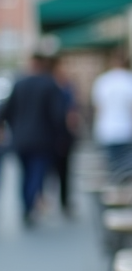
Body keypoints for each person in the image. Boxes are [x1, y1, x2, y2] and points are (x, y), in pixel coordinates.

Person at [0, 53, 66, 225]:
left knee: (24, 174)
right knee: (36, 173)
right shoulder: (49, 85)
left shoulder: (19, 84)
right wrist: (61, 136)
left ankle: (25, 206)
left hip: (21, 139)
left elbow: (6, 111)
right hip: (43, 139)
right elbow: (57, 115)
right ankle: (29, 206)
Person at [92, 53, 132, 166]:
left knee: (113, 168)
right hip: (128, 130)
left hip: (108, 130)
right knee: (127, 167)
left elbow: (98, 108)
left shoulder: (103, 81)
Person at [51, 57, 80, 216]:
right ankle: (45, 200)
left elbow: (72, 112)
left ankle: (64, 200)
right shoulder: (53, 88)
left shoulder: (67, 88)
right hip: (53, 136)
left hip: (62, 136)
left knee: (64, 170)